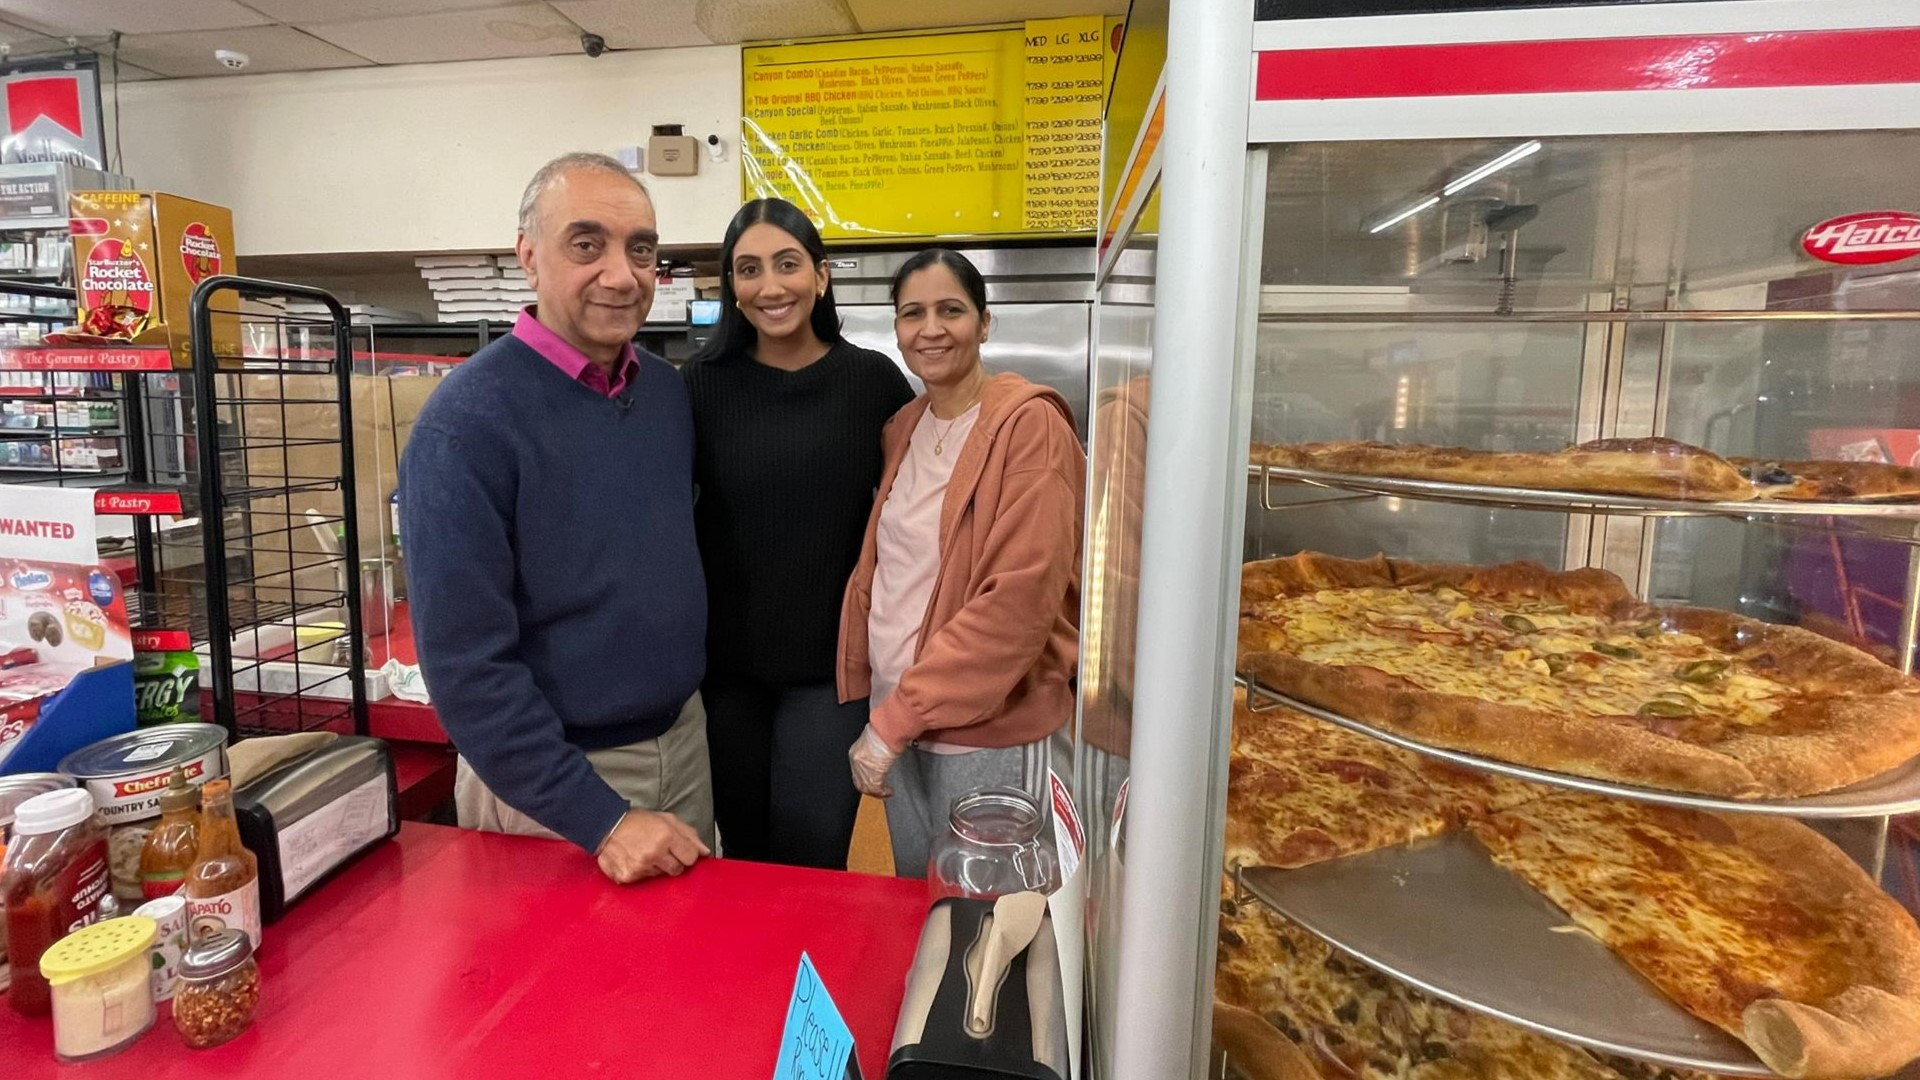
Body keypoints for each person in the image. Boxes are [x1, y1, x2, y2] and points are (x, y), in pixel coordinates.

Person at [400, 151, 714, 885]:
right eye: (586, 244)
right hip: (554, 785)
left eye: (641, 249)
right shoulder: (468, 423)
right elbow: (465, 667)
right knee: (567, 993)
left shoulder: (666, 396)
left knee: (684, 978)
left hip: (683, 741)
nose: (621, 272)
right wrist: (599, 817)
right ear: (528, 257)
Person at [837, 248, 1085, 877]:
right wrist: (888, 708)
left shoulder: (1030, 428)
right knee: (928, 909)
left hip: (984, 728)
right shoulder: (905, 426)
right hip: (903, 712)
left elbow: (1018, 604)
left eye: (951, 310)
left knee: (996, 921)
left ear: (984, 321)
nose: (931, 329)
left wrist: (893, 721)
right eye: (912, 313)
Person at [683, 198, 912, 869]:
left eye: (787, 264)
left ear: (821, 275)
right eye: (748, 269)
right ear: (731, 286)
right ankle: (754, 977)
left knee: (813, 855)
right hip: (725, 675)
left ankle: (807, 977)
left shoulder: (870, 382)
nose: (770, 285)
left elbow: (923, 508)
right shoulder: (697, 387)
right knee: (745, 856)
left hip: (831, 672)